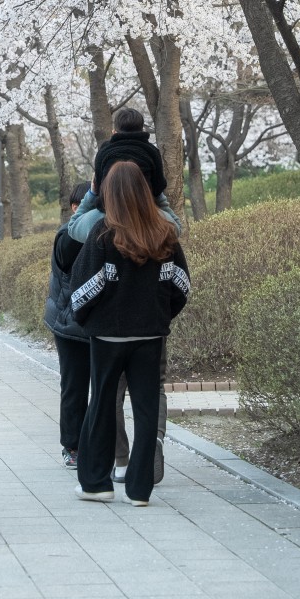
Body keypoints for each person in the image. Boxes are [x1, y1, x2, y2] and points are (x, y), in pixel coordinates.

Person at [66, 106, 181, 484]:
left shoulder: (100, 231)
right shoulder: (164, 231)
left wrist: (90, 322)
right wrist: (161, 313)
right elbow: (181, 284)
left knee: (104, 400)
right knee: (148, 404)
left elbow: (81, 290)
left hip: (109, 332)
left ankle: (107, 469)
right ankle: (142, 482)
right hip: (150, 330)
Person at [44, 182, 92, 468]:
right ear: (75, 207)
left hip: (93, 324)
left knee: (98, 388)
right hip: (69, 324)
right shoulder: (69, 235)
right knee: (74, 385)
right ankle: (72, 446)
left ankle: (92, 443)